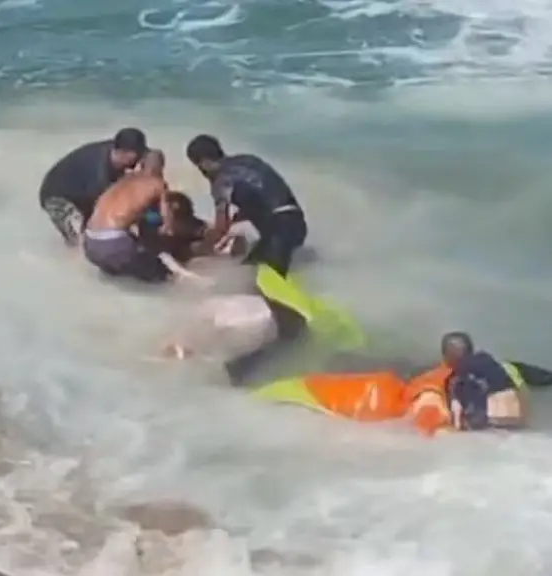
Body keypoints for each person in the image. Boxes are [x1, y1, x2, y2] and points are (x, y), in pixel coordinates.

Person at [246, 331, 536, 436]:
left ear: (445, 356)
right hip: (514, 425)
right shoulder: (501, 367)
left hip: (484, 430)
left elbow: (429, 427)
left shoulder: (431, 386)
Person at [185, 135, 309, 342]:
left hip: (278, 232)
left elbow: (221, 225)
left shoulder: (221, 181)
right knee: (249, 270)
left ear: (204, 162)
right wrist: (237, 220)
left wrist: (202, 250)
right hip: (295, 222)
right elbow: (263, 196)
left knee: (266, 289)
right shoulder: (249, 160)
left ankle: (291, 335)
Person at [83, 150, 198, 283]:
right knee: (164, 278)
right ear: (161, 168)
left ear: (141, 164)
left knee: (122, 277)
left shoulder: (124, 179)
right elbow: (167, 225)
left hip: (90, 243)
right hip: (114, 244)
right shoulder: (157, 184)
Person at [39, 128, 148, 246]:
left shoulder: (118, 149)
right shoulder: (99, 173)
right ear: (123, 153)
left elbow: (153, 156)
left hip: (82, 189)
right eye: (136, 158)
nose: (138, 161)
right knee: (80, 241)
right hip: (57, 197)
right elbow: (98, 209)